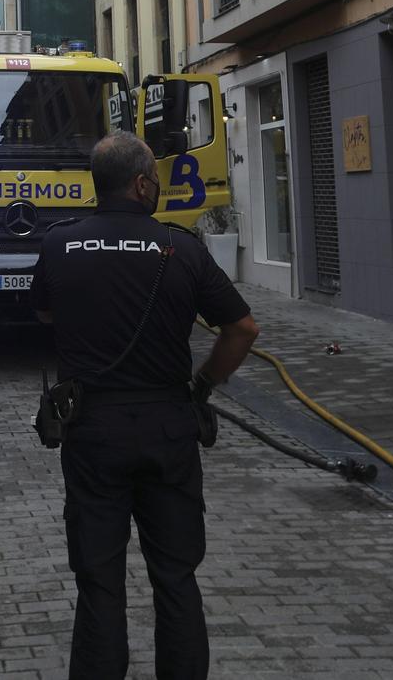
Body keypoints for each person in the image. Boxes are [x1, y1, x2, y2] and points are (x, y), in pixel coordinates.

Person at [31, 134, 260, 679]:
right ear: (140, 184)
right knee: (176, 577)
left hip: (92, 431)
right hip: (168, 428)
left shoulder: (60, 244)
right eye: (155, 180)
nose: (158, 187)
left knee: (100, 582)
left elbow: (44, 316)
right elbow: (243, 328)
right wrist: (204, 381)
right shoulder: (181, 248)